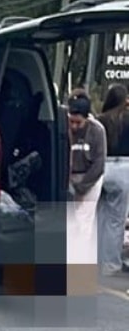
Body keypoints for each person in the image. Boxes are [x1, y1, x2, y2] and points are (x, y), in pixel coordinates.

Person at [65, 94, 106, 270]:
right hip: (69, 176)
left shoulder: (97, 130)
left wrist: (82, 187)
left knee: (84, 222)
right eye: (71, 122)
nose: (74, 126)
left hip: (90, 178)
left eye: (78, 123)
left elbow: (99, 163)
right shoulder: (64, 128)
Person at [96, 84, 129, 276]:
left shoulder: (99, 120)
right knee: (116, 220)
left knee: (99, 215)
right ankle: (110, 263)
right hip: (123, 168)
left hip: (102, 166)